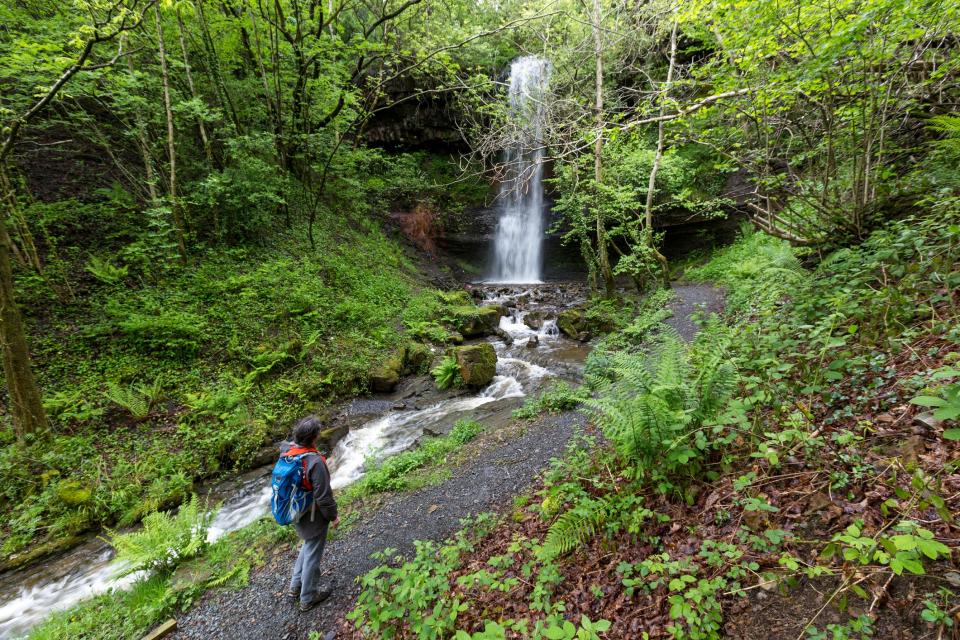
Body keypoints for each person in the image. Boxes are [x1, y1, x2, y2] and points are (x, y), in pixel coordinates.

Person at [281, 416, 339, 612]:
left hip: (294, 509)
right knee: (313, 553)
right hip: (312, 516)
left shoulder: (288, 453)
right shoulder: (315, 462)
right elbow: (323, 497)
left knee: (308, 546)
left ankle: (295, 587)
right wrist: (333, 516)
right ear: (314, 437)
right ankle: (307, 597)